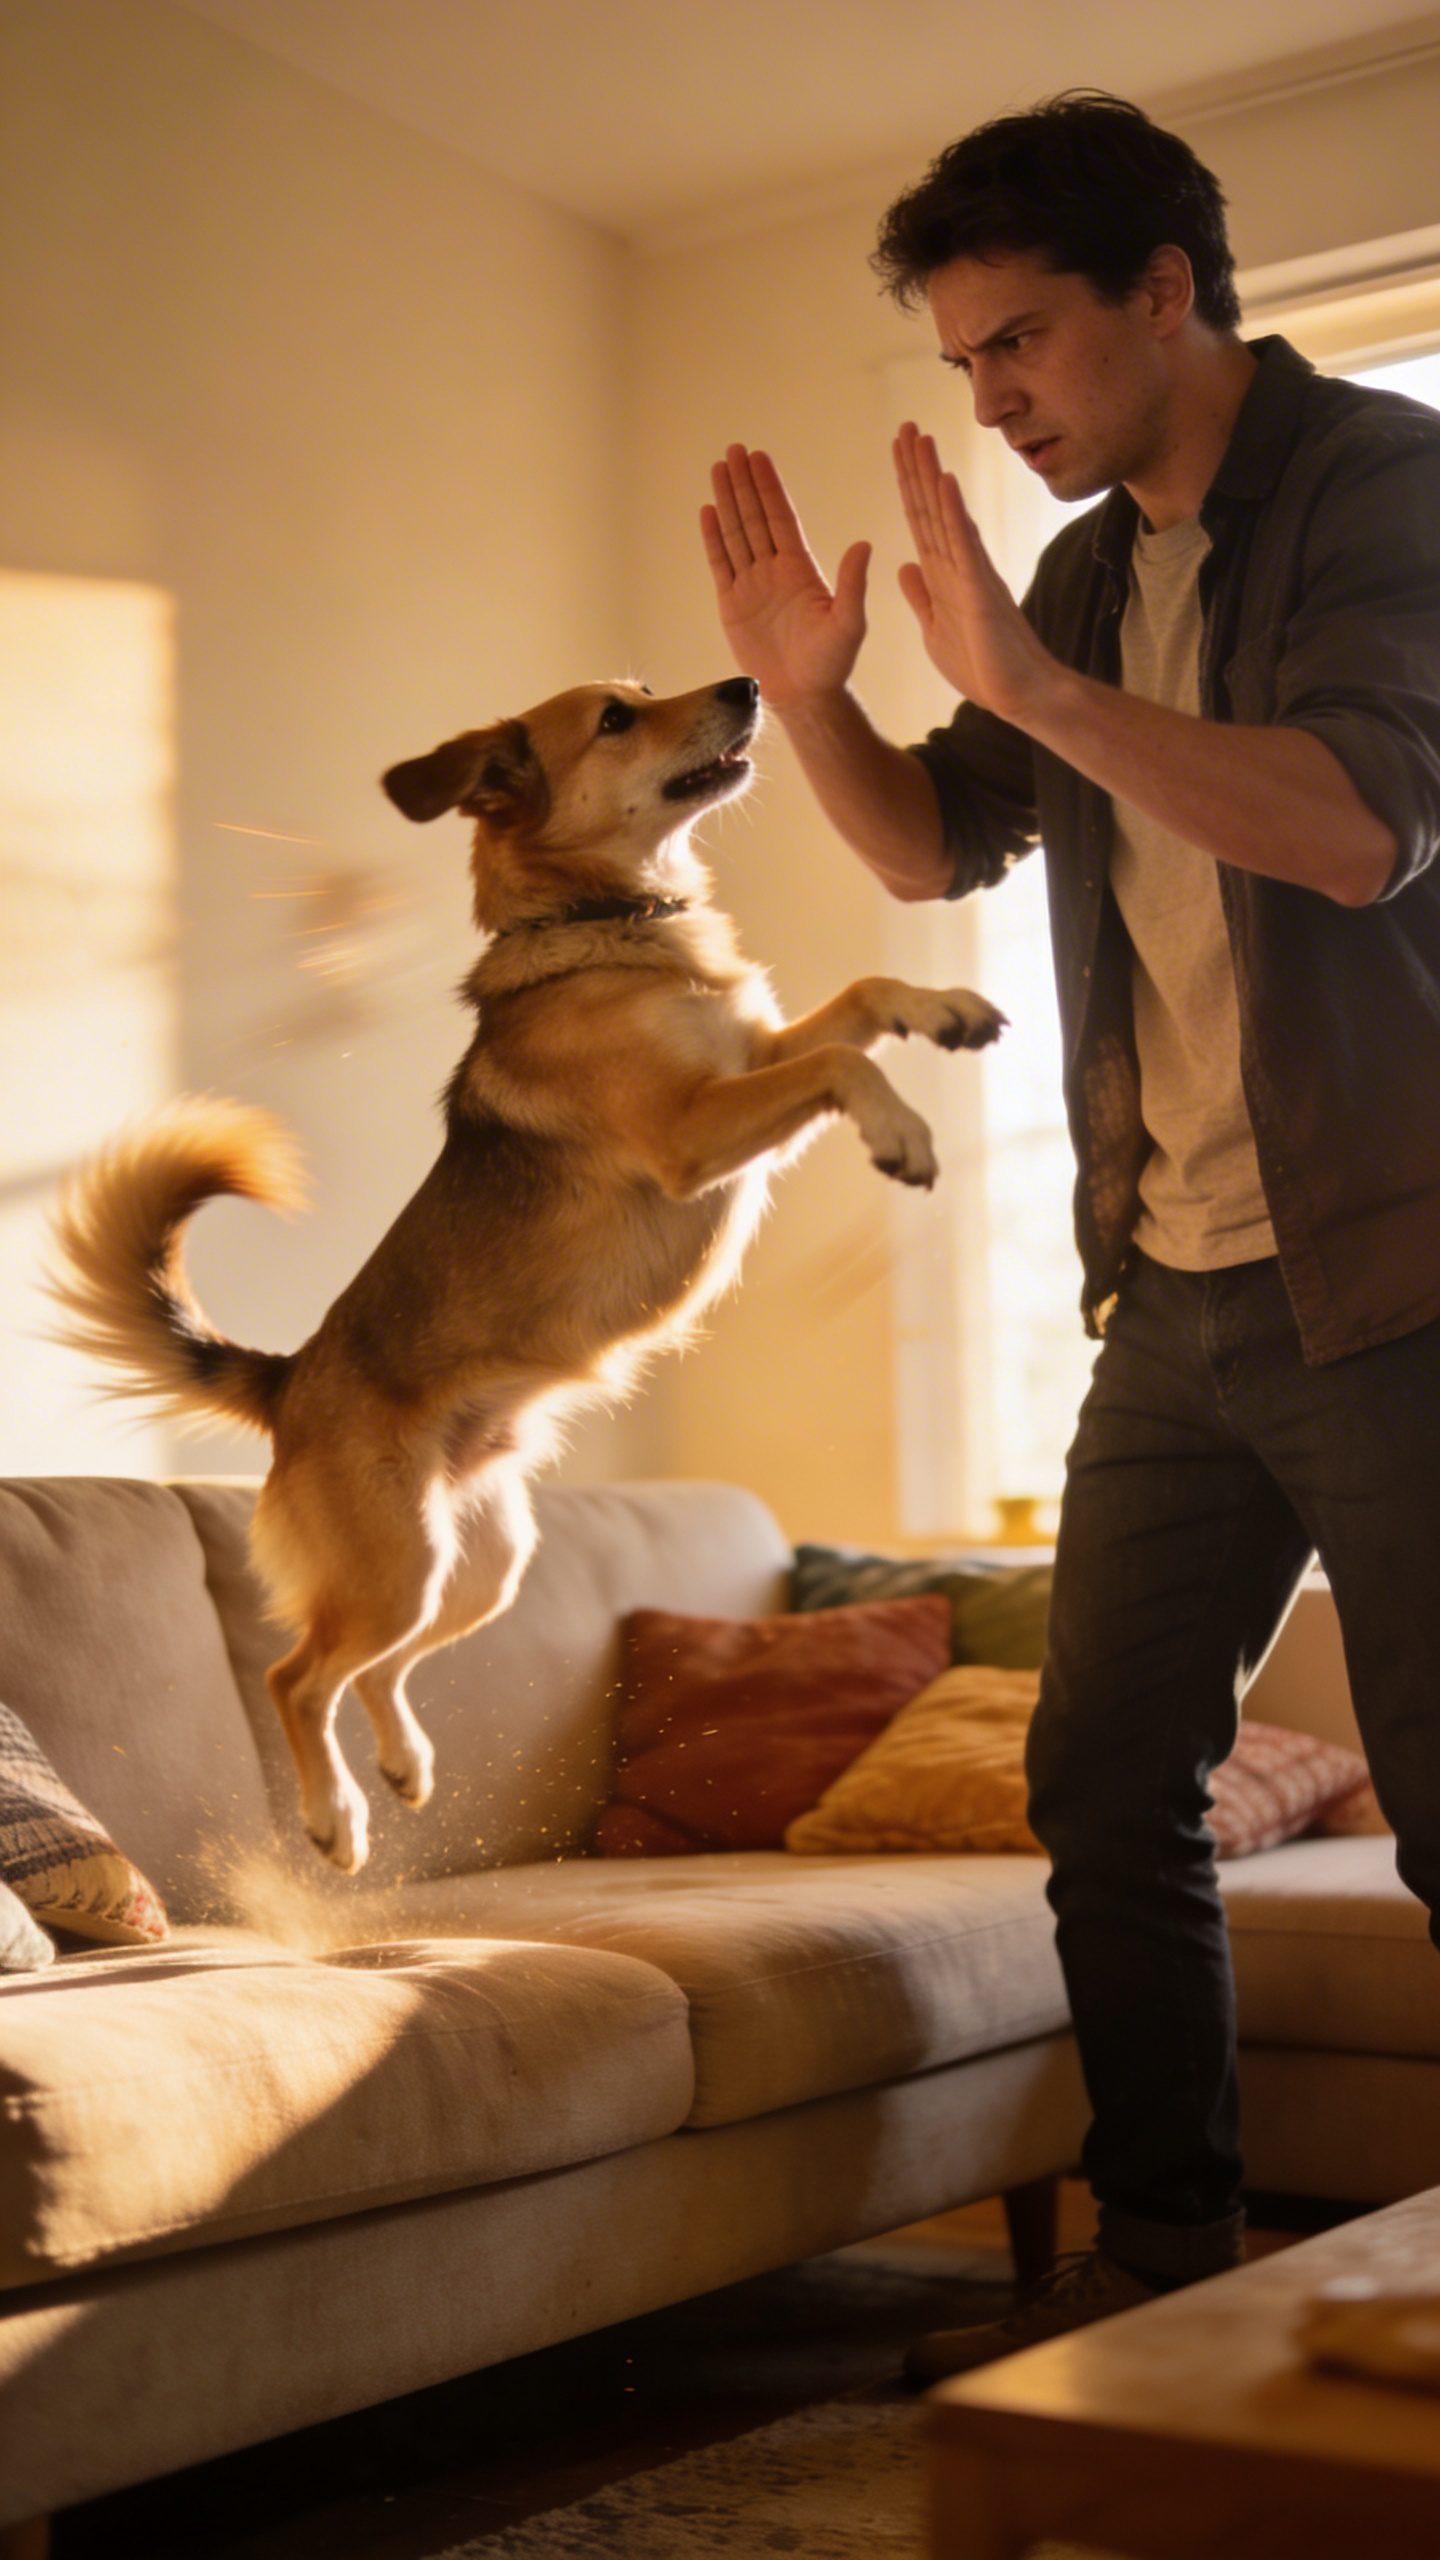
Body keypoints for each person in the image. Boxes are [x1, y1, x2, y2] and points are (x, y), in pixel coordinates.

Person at [699, 90, 1440, 2381]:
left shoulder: (1391, 491)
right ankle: (1171, 2250)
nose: (995, 401)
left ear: (1168, 293)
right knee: (1102, 1776)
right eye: (966, 366)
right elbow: (938, 846)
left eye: (1021, 344)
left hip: (1402, 1274)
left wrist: (1036, 692)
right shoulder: (1096, 575)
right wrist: (819, 700)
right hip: (1176, 1294)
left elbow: (1356, 831)